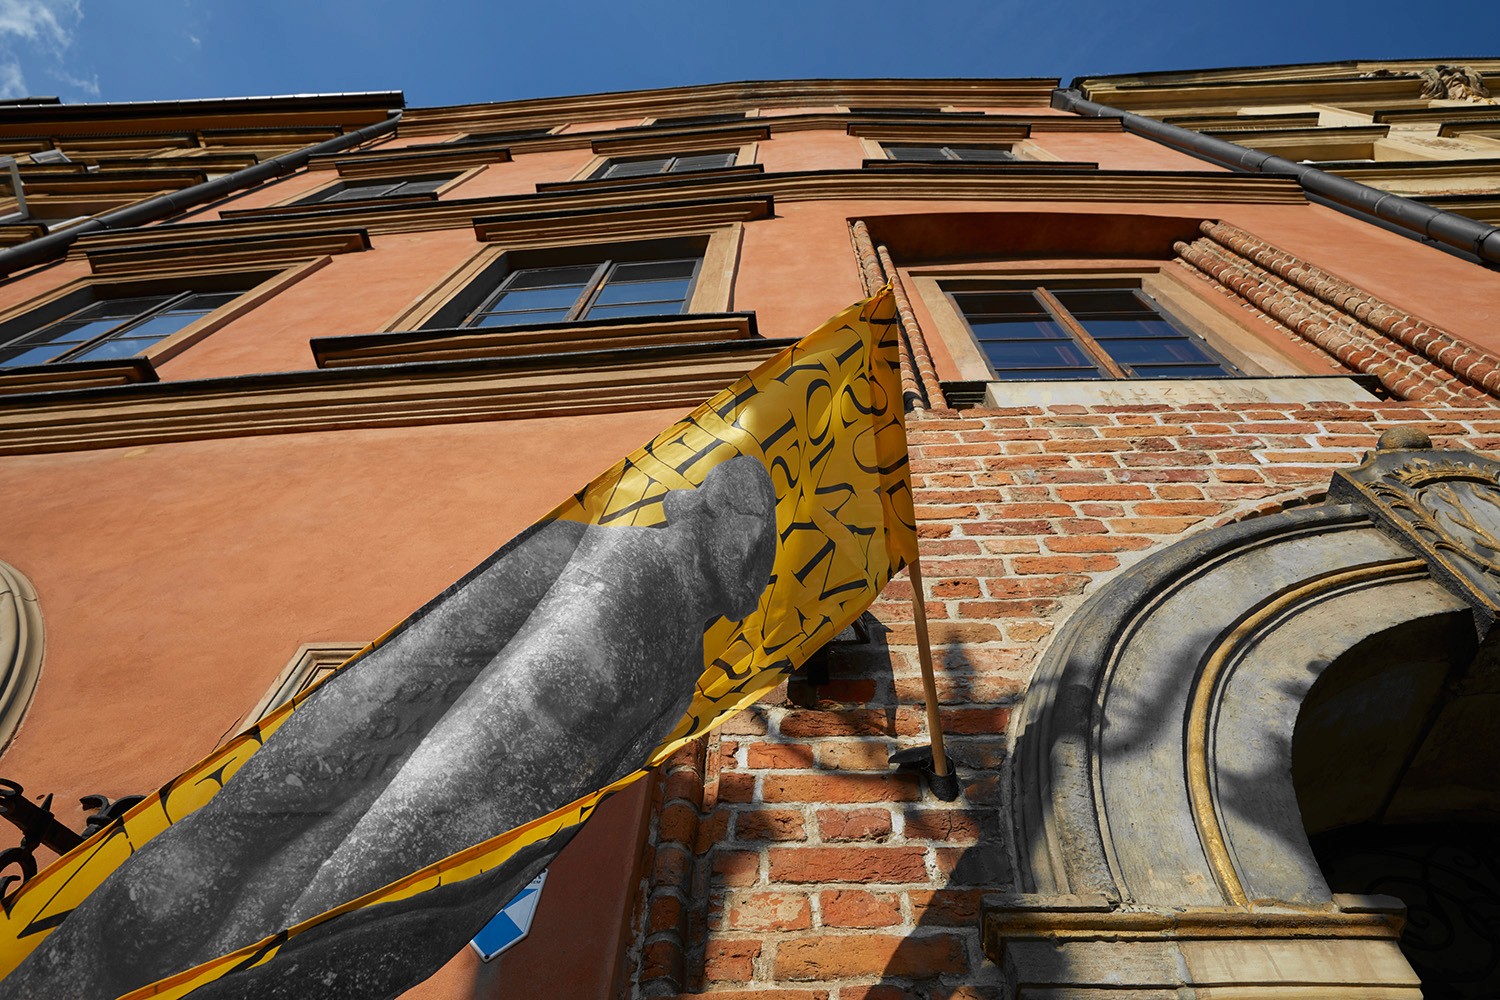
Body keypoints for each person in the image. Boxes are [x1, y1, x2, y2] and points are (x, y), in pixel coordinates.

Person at [3, 456, 779, 1000]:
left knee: (158, 920)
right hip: (388, 901)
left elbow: (383, 697)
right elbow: (513, 799)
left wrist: (243, 819)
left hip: (332, 861)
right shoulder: (661, 646)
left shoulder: (596, 569)